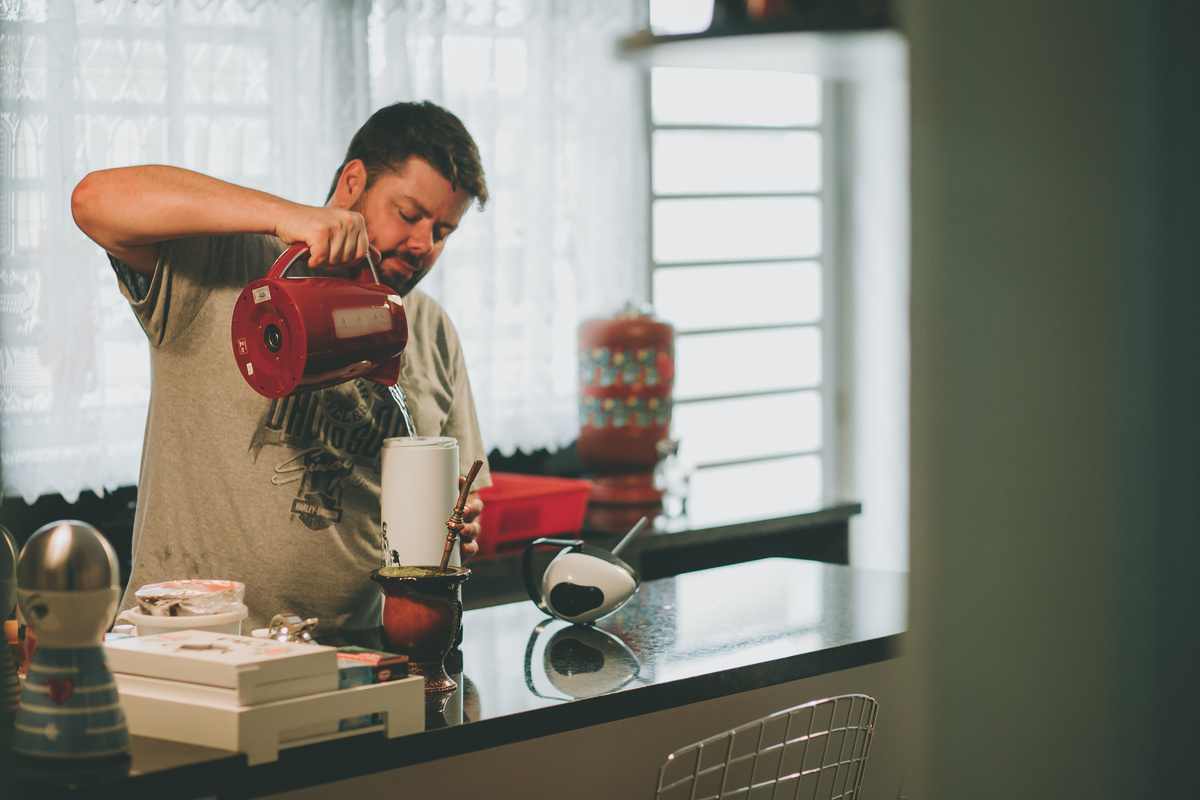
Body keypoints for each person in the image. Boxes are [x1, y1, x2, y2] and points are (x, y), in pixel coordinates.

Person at [71, 101, 491, 634]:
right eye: (409, 215)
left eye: (443, 230)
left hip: (356, 658)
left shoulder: (431, 329)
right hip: (191, 644)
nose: (423, 245)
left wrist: (462, 522)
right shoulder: (230, 269)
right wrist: (285, 216)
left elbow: (464, 493)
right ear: (353, 181)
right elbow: (93, 200)